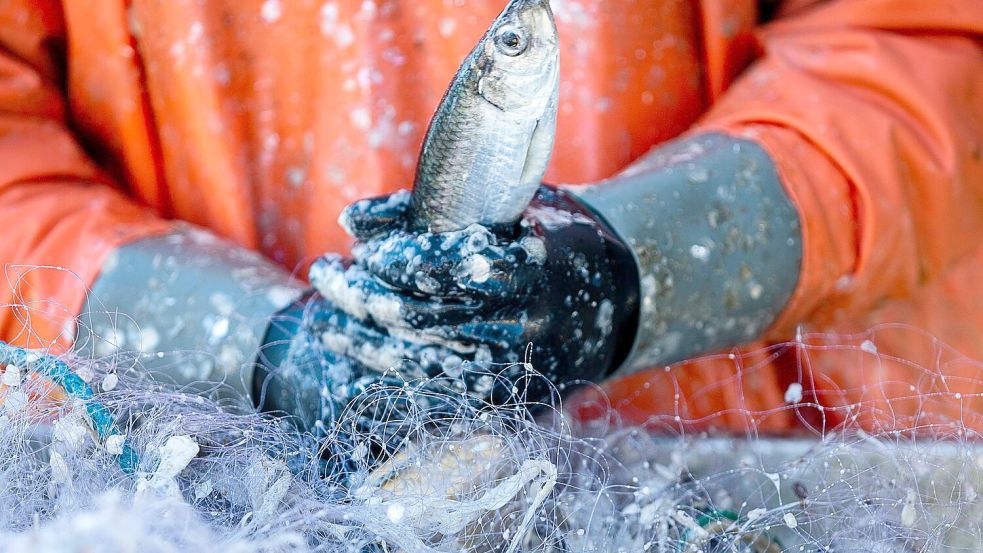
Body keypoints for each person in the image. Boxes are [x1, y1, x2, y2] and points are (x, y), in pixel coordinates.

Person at [0, 0, 981, 438]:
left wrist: (629, 269)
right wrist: (261, 347)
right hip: (204, 484)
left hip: (766, 468)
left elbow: (918, 53)